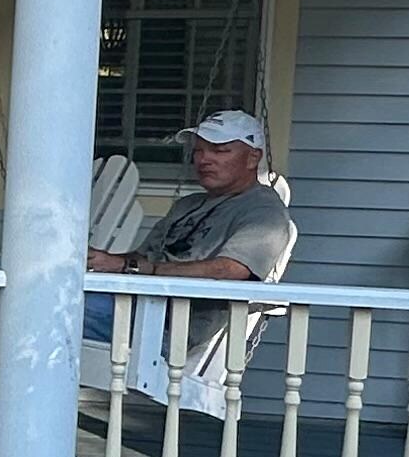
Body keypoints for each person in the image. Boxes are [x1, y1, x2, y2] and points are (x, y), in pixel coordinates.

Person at [86, 109, 298, 377]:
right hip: (125, 308)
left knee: (53, 306)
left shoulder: (263, 211)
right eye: (198, 151)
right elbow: (142, 258)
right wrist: (102, 260)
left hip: (164, 328)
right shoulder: (187, 205)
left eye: (219, 150)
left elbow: (231, 270)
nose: (204, 159)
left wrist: (134, 268)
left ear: (253, 157)